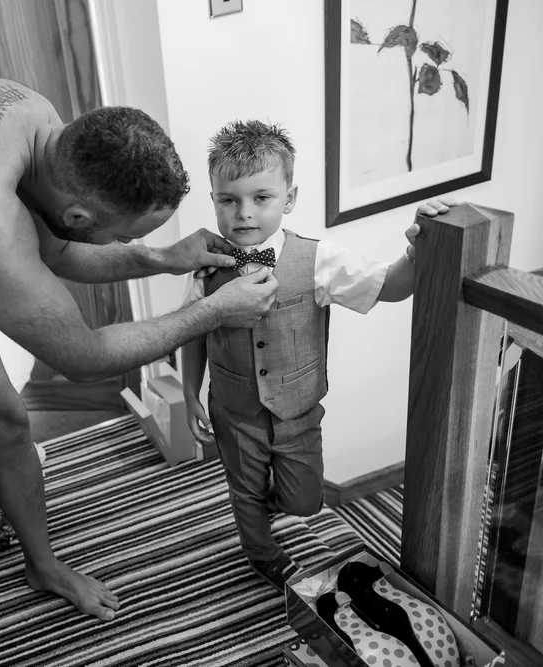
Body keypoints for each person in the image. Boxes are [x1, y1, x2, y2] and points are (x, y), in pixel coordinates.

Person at [0, 78, 279, 621]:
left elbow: (55, 248)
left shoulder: (32, 117)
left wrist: (159, 259)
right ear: (82, 215)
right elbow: (81, 357)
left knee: (6, 421)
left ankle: (42, 566)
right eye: (124, 236)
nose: (126, 245)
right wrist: (210, 313)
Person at [179, 120, 453, 592]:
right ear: (215, 201)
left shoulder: (319, 259)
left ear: (289, 198)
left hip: (298, 411)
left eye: (261, 197)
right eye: (229, 200)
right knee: (243, 490)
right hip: (233, 409)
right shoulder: (206, 265)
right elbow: (190, 332)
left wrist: (415, 250)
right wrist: (189, 393)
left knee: (305, 500)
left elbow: (389, 286)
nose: (244, 213)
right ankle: (261, 552)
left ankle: (262, 503)